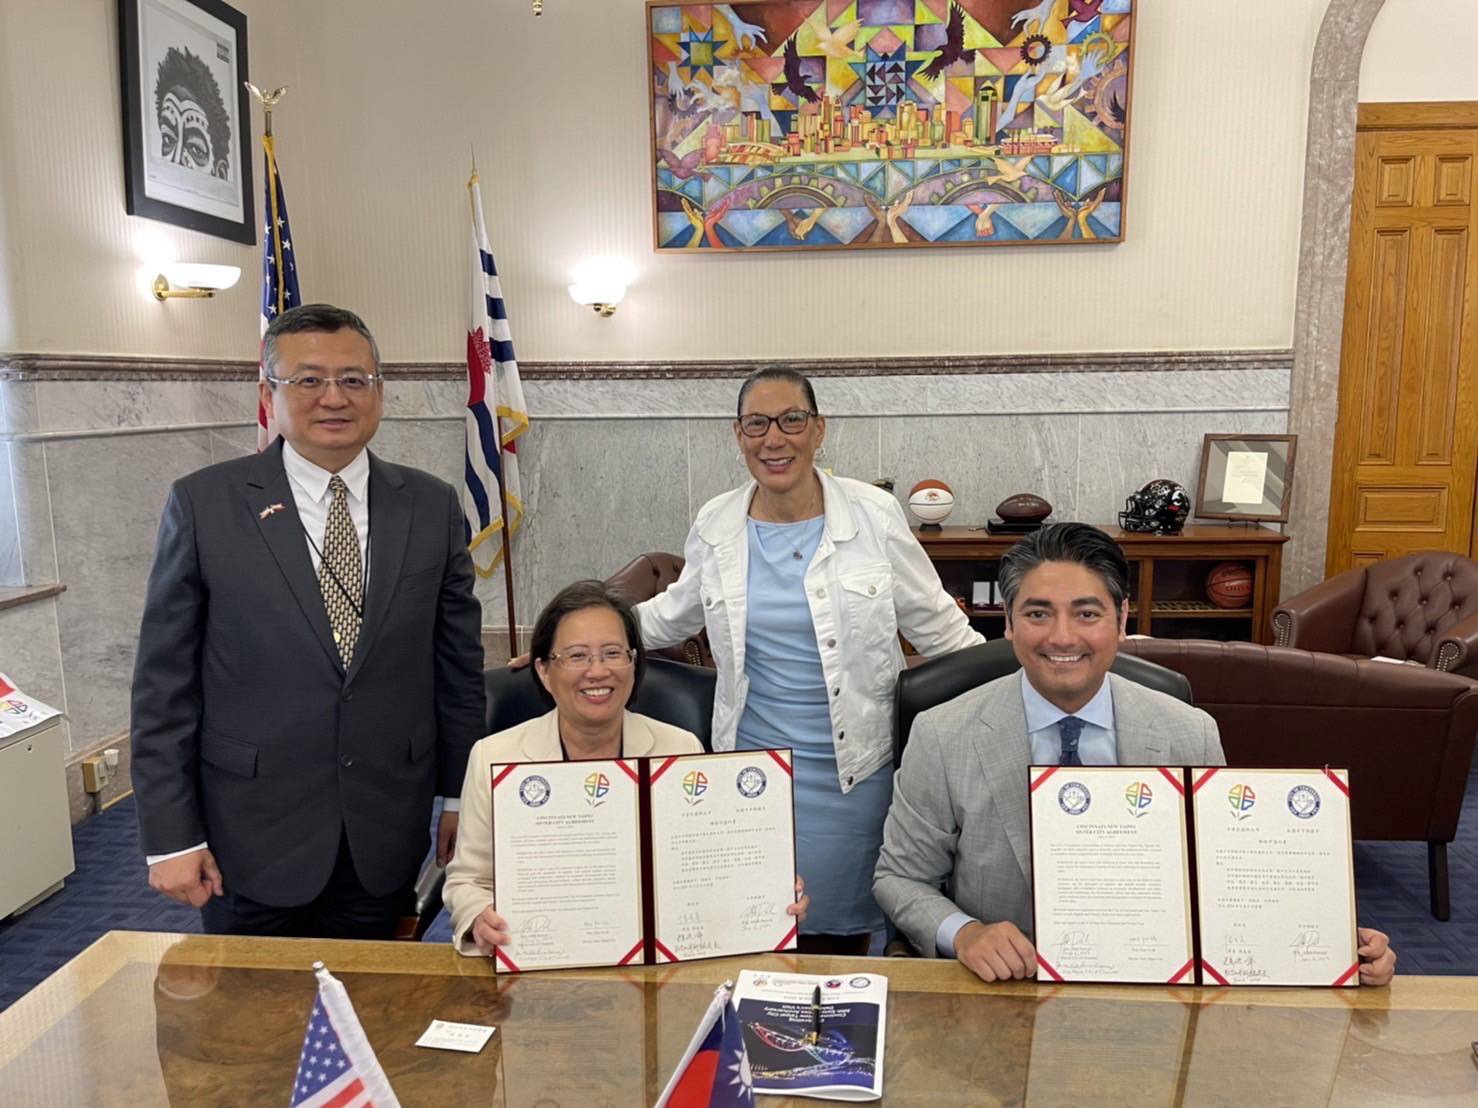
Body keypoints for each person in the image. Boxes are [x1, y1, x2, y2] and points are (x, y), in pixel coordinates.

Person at [874, 522, 1397, 986]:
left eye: (1087, 613)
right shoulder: (944, 733)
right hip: (1005, 984)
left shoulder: (1186, 732)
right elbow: (900, 878)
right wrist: (964, 934)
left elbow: (1226, 876)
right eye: (1038, 613)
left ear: (1121, 619)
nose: (1062, 637)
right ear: (1008, 622)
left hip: (1150, 981)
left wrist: (1330, 943)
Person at [131, 303, 486, 938]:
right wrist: (169, 836)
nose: (334, 398)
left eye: (354, 380)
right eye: (308, 380)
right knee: (252, 1023)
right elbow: (164, 687)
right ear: (268, 393)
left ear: (379, 390)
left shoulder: (431, 506)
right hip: (250, 830)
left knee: (373, 1019)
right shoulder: (204, 504)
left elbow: (456, 668)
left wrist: (461, 796)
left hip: (384, 825)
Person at [635, 367, 983, 954]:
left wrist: (1030, 677)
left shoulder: (872, 515)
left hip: (855, 777)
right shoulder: (716, 523)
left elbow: (941, 630)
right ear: (738, 434)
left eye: (792, 420)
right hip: (752, 777)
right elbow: (670, 616)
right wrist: (567, 640)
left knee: (841, 945)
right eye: (757, 424)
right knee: (756, 938)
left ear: (818, 429)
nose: (776, 438)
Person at [445, 580, 808, 956]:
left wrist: (768, 893)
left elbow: (707, 873)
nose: (598, 671)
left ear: (634, 664)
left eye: (613, 653)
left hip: (659, 967)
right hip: (543, 967)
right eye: (577, 656)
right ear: (542, 670)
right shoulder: (494, 756)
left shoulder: (679, 749)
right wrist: (478, 918)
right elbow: (467, 880)